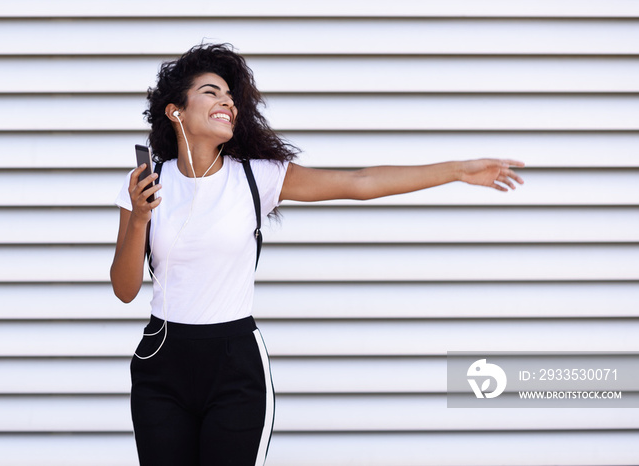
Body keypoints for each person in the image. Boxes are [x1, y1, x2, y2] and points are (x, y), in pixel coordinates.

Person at [110, 43, 524, 466]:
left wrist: (456, 171)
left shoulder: (257, 178)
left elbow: (359, 182)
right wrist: (141, 216)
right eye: (212, 92)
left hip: (234, 367)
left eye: (231, 96)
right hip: (161, 363)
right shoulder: (146, 182)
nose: (227, 102)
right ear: (175, 111)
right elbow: (124, 290)